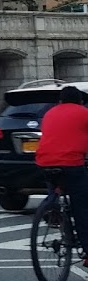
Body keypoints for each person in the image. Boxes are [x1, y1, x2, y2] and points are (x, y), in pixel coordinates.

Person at [35, 85, 88, 258]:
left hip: (45, 162)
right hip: (72, 164)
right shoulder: (83, 112)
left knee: (55, 183)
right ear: (80, 101)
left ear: (60, 100)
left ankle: (52, 206)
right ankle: (87, 249)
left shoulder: (50, 113)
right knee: (82, 205)